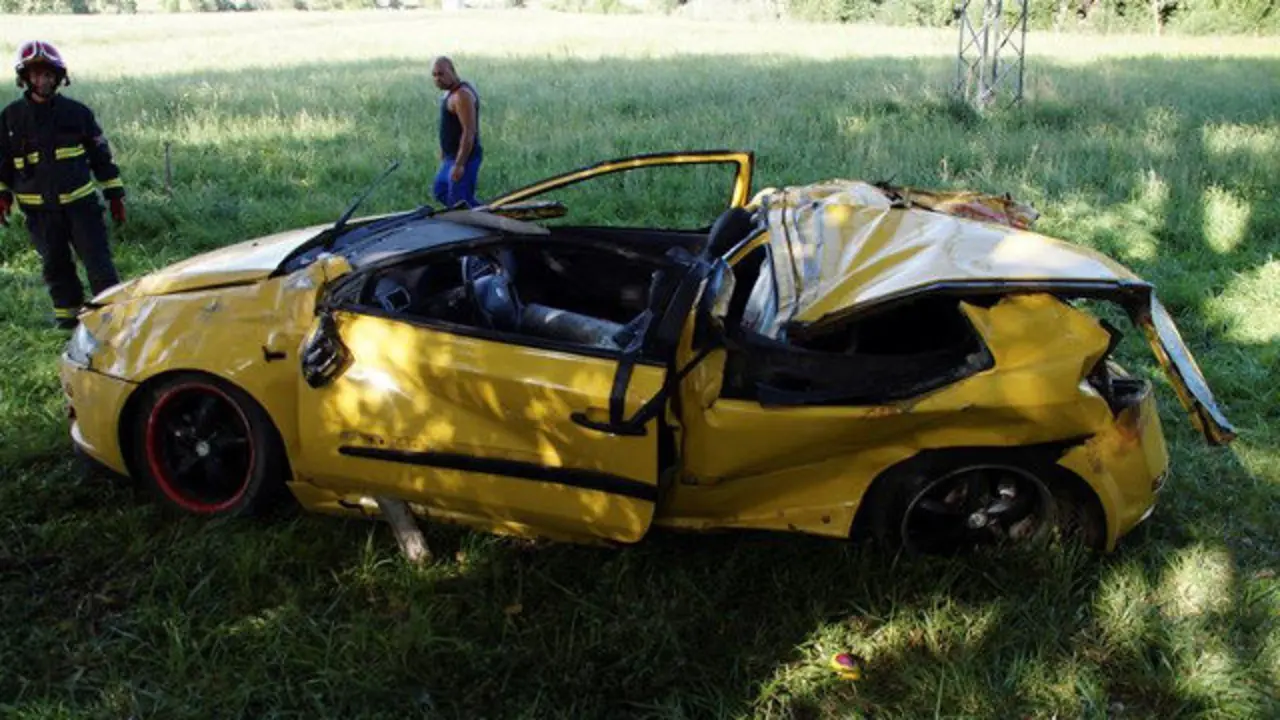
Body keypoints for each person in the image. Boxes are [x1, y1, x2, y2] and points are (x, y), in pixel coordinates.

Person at [0, 40, 126, 330]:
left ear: (58, 77)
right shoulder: (10, 118)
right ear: (25, 78)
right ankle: (69, 323)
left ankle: (114, 321)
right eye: (36, 75)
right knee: (55, 267)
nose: (42, 80)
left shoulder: (77, 113)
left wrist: (115, 194)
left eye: (48, 74)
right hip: (39, 213)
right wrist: (3, 195)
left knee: (98, 263)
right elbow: (2, 161)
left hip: (81, 207)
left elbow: (101, 156)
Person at [431, 56, 482, 209]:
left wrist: (460, 164)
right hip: (450, 157)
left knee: (459, 201)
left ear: (452, 71)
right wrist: (444, 150)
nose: (437, 79)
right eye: (434, 75)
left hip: (464, 158)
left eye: (441, 74)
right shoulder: (449, 93)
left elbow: (469, 131)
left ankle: (487, 216)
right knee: (440, 190)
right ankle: (479, 212)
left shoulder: (462, 95)